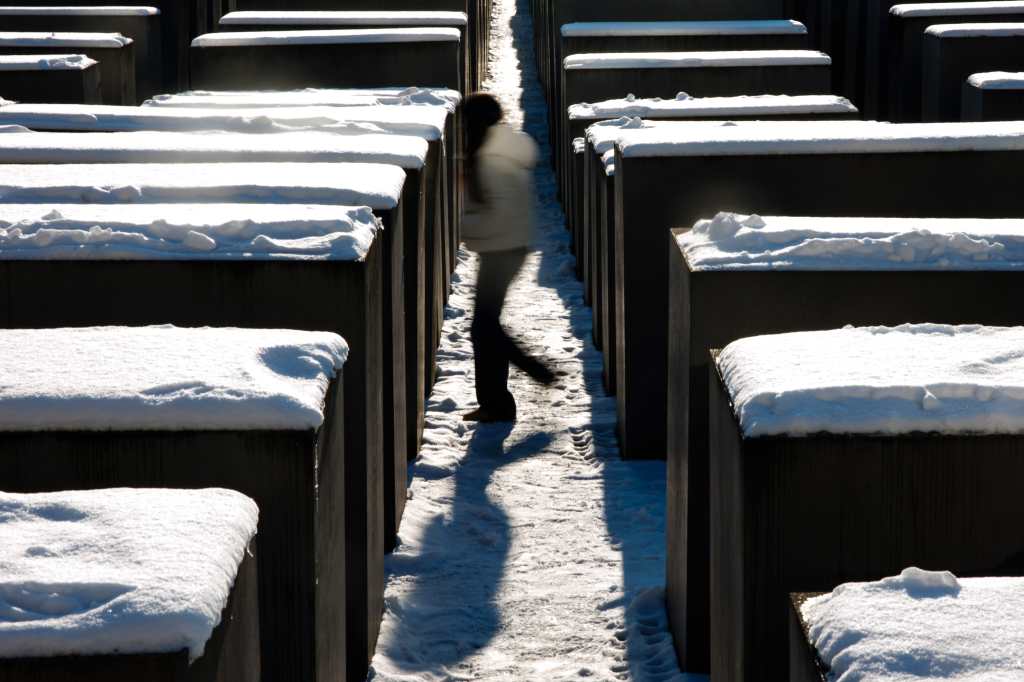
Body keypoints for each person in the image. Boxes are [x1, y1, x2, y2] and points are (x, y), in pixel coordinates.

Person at [459, 92, 554, 423]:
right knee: (485, 327)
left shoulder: (492, 159)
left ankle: (529, 374)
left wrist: (461, 225)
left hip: (503, 250)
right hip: (506, 248)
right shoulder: (497, 151)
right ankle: (497, 402)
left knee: (484, 327)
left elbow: (498, 216)